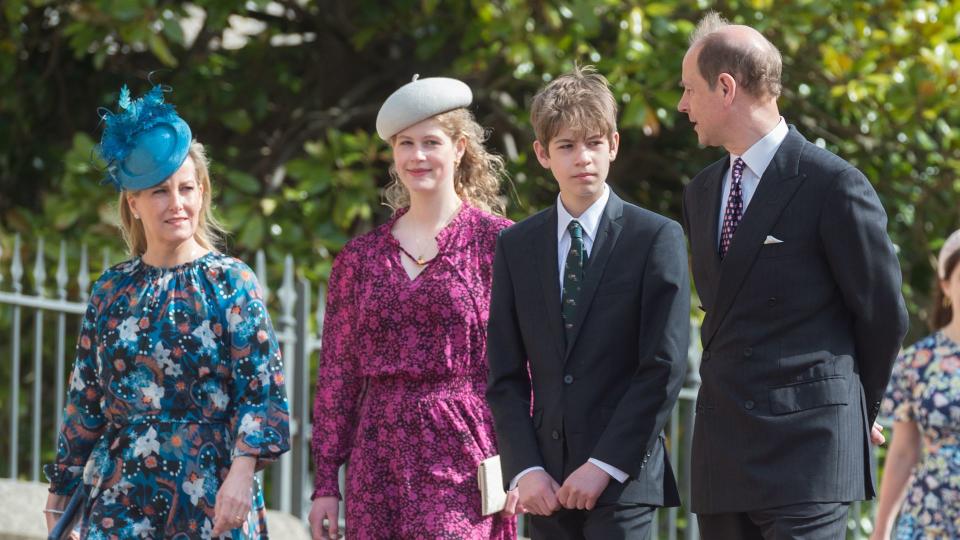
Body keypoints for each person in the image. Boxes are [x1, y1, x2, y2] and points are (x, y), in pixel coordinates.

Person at [677, 12, 909, 539]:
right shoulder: (700, 192)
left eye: (689, 90)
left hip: (810, 451)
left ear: (726, 87)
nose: (682, 105)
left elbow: (883, 315)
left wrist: (856, 408)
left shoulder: (834, 185)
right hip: (724, 452)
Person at [42, 84, 290, 539]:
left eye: (186, 188)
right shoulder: (111, 290)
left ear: (202, 192)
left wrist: (242, 474)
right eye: (159, 192)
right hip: (119, 493)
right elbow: (85, 400)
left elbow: (261, 394)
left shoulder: (231, 282)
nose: (177, 204)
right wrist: (62, 488)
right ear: (133, 204)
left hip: (212, 491)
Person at [308, 76, 518, 540]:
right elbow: (338, 376)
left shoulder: (499, 243)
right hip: (376, 454)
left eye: (431, 142)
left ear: (459, 147)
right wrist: (326, 481)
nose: (417, 156)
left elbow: (527, 360)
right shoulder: (359, 259)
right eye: (406, 144)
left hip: (464, 445)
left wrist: (525, 460)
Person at [485, 65, 689, 540]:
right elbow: (505, 374)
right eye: (566, 146)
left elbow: (663, 365)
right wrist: (525, 469)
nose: (583, 159)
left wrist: (605, 464)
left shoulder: (655, 237)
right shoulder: (517, 246)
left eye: (594, 143)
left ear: (614, 145)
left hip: (624, 482)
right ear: (542, 153)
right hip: (545, 487)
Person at [871, 230, 960, 539]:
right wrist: (881, 530)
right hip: (931, 515)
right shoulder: (918, 362)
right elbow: (904, 451)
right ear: (946, 286)